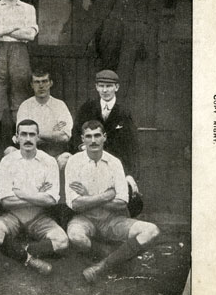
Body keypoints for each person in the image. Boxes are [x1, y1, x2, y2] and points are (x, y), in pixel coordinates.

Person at [65, 120, 160, 283]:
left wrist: (88, 196)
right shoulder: (74, 162)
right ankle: (112, 254)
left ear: (104, 137)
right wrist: (106, 195)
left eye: (97, 136)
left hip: (113, 219)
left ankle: (102, 266)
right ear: (82, 139)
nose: (93, 141)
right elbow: (75, 204)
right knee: (75, 236)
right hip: (85, 218)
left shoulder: (114, 163)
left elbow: (122, 202)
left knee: (152, 230)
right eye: (88, 136)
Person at [0, 119, 69, 275]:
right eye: (23, 134)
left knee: (62, 241)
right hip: (13, 216)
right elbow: (6, 201)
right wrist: (38, 195)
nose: (28, 139)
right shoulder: (7, 161)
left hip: (39, 217)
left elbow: (51, 200)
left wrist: (22, 193)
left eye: (32, 134)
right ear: (16, 138)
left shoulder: (49, 161)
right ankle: (30, 260)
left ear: (38, 137)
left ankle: (19, 250)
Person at [81, 0, 162, 98]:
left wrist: (146, 40)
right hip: (111, 36)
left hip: (135, 38)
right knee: (107, 75)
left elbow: (153, 14)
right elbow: (99, 10)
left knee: (128, 80)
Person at [70, 70, 139, 195]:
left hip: (116, 163)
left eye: (109, 86)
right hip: (89, 159)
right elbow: (75, 134)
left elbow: (132, 146)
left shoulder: (124, 112)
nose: (105, 90)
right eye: (101, 86)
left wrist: (129, 174)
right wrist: (83, 147)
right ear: (96, 87)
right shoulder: (87, 108)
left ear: (116, 87)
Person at [13, 70, 73, 170]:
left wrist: (36, 134)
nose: (41, 86)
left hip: (55, 155)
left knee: (66, 159)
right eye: (37, 82)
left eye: (44, 81)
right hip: (31, 155)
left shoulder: (60, 106)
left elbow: (64, 136)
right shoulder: (25, 106)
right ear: (32, 85)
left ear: (51, 83)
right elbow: (23, 137)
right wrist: (52, 134)